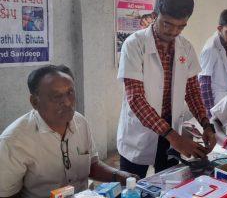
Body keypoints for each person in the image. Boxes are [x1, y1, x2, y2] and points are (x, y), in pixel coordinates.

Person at [117, 0, 216, 179]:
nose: (173, 32)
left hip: (170, 131)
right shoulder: (134, 44)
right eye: (167, 24)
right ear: (155, 15)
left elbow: (193, 92)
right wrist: (175, 138)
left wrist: (207, 125)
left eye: (181, 26)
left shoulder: (185, 48)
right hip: (140, 134)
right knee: (131, 186)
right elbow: (136, 99)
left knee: (168, 186)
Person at [0, 65, 136, 198]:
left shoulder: (80, 122)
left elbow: (92, 165)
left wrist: (119, 175)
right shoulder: (13, 141)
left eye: (70, 93)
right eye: (56, 96)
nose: (66, 102)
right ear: (35, 102)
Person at [199, 8, 227, 118]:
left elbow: (222, 74)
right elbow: (204, 83)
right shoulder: (211, 48)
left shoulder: (225, 44)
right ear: (219, 28)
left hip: (224, 102)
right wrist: (210, 114)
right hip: (215, 105)